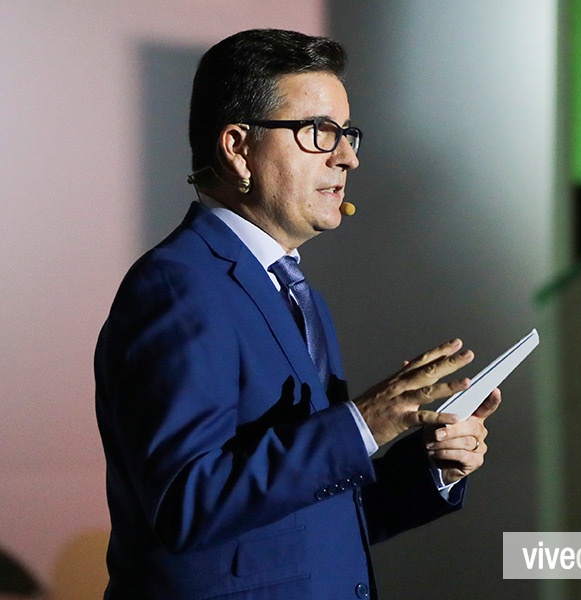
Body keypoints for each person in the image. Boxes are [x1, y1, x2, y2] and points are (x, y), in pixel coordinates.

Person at [94, 28, 501, 600]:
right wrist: (362, 425)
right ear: (238, 147)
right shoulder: (177, 286)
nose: (348, 156)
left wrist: (431, 465)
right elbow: (187, 504)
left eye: (347, 133)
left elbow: (310, 523)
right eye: (319, 132)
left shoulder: (293, 291)